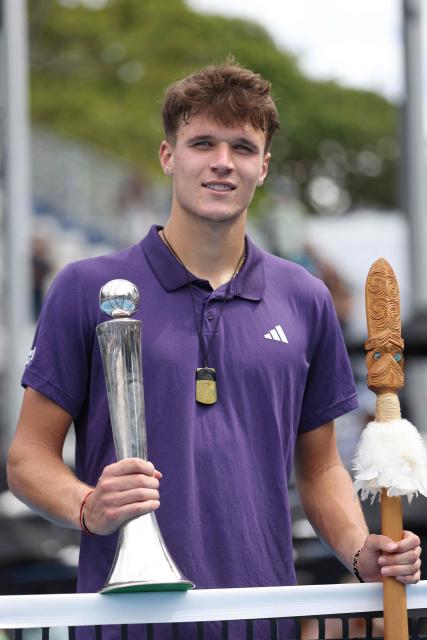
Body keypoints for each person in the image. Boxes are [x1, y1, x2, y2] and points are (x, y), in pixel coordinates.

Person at [7, 60, 421, 638]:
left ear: (263, 166)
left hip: (264, 618)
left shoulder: (304, 297)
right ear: (168, 155)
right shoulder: (86, 288)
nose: (222, 162)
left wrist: (359, 553)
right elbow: (27, 458)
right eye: (202, 142)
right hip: (125, 621)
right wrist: (87, 507)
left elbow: (321, 466)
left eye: (242, 147)